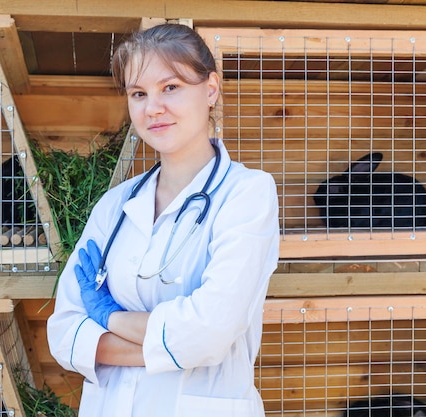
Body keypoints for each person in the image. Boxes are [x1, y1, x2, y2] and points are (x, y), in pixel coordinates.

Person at [47, 23, 280, 417]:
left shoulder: (247, 194)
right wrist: (170, 346)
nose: (152, 108)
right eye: (139, 93)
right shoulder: (116, 204)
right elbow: (64, 334)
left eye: (170, 87)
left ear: (210, 89)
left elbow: (209, 333)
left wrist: (108, 316)